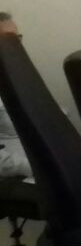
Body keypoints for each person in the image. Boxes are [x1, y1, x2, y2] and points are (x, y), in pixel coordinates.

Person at [0, 12, 30, 178]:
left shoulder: (14, 71)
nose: (17, 45)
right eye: (9, 40)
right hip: (13, 174)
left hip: (35, 155)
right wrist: (32, 167)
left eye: (18, 38)